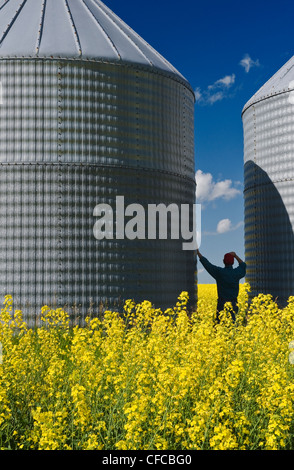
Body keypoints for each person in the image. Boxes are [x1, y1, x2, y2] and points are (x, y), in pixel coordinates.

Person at [196, 249, 246, 323]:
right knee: (233, 325)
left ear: (223, 261)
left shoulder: (219, 272)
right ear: (233, 262)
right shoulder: (236, 273)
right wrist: (235, 256)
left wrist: (198, 253)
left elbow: (207, 265)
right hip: (233, 303)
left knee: (220, 325)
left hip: (221, 304)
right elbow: (243, 266)